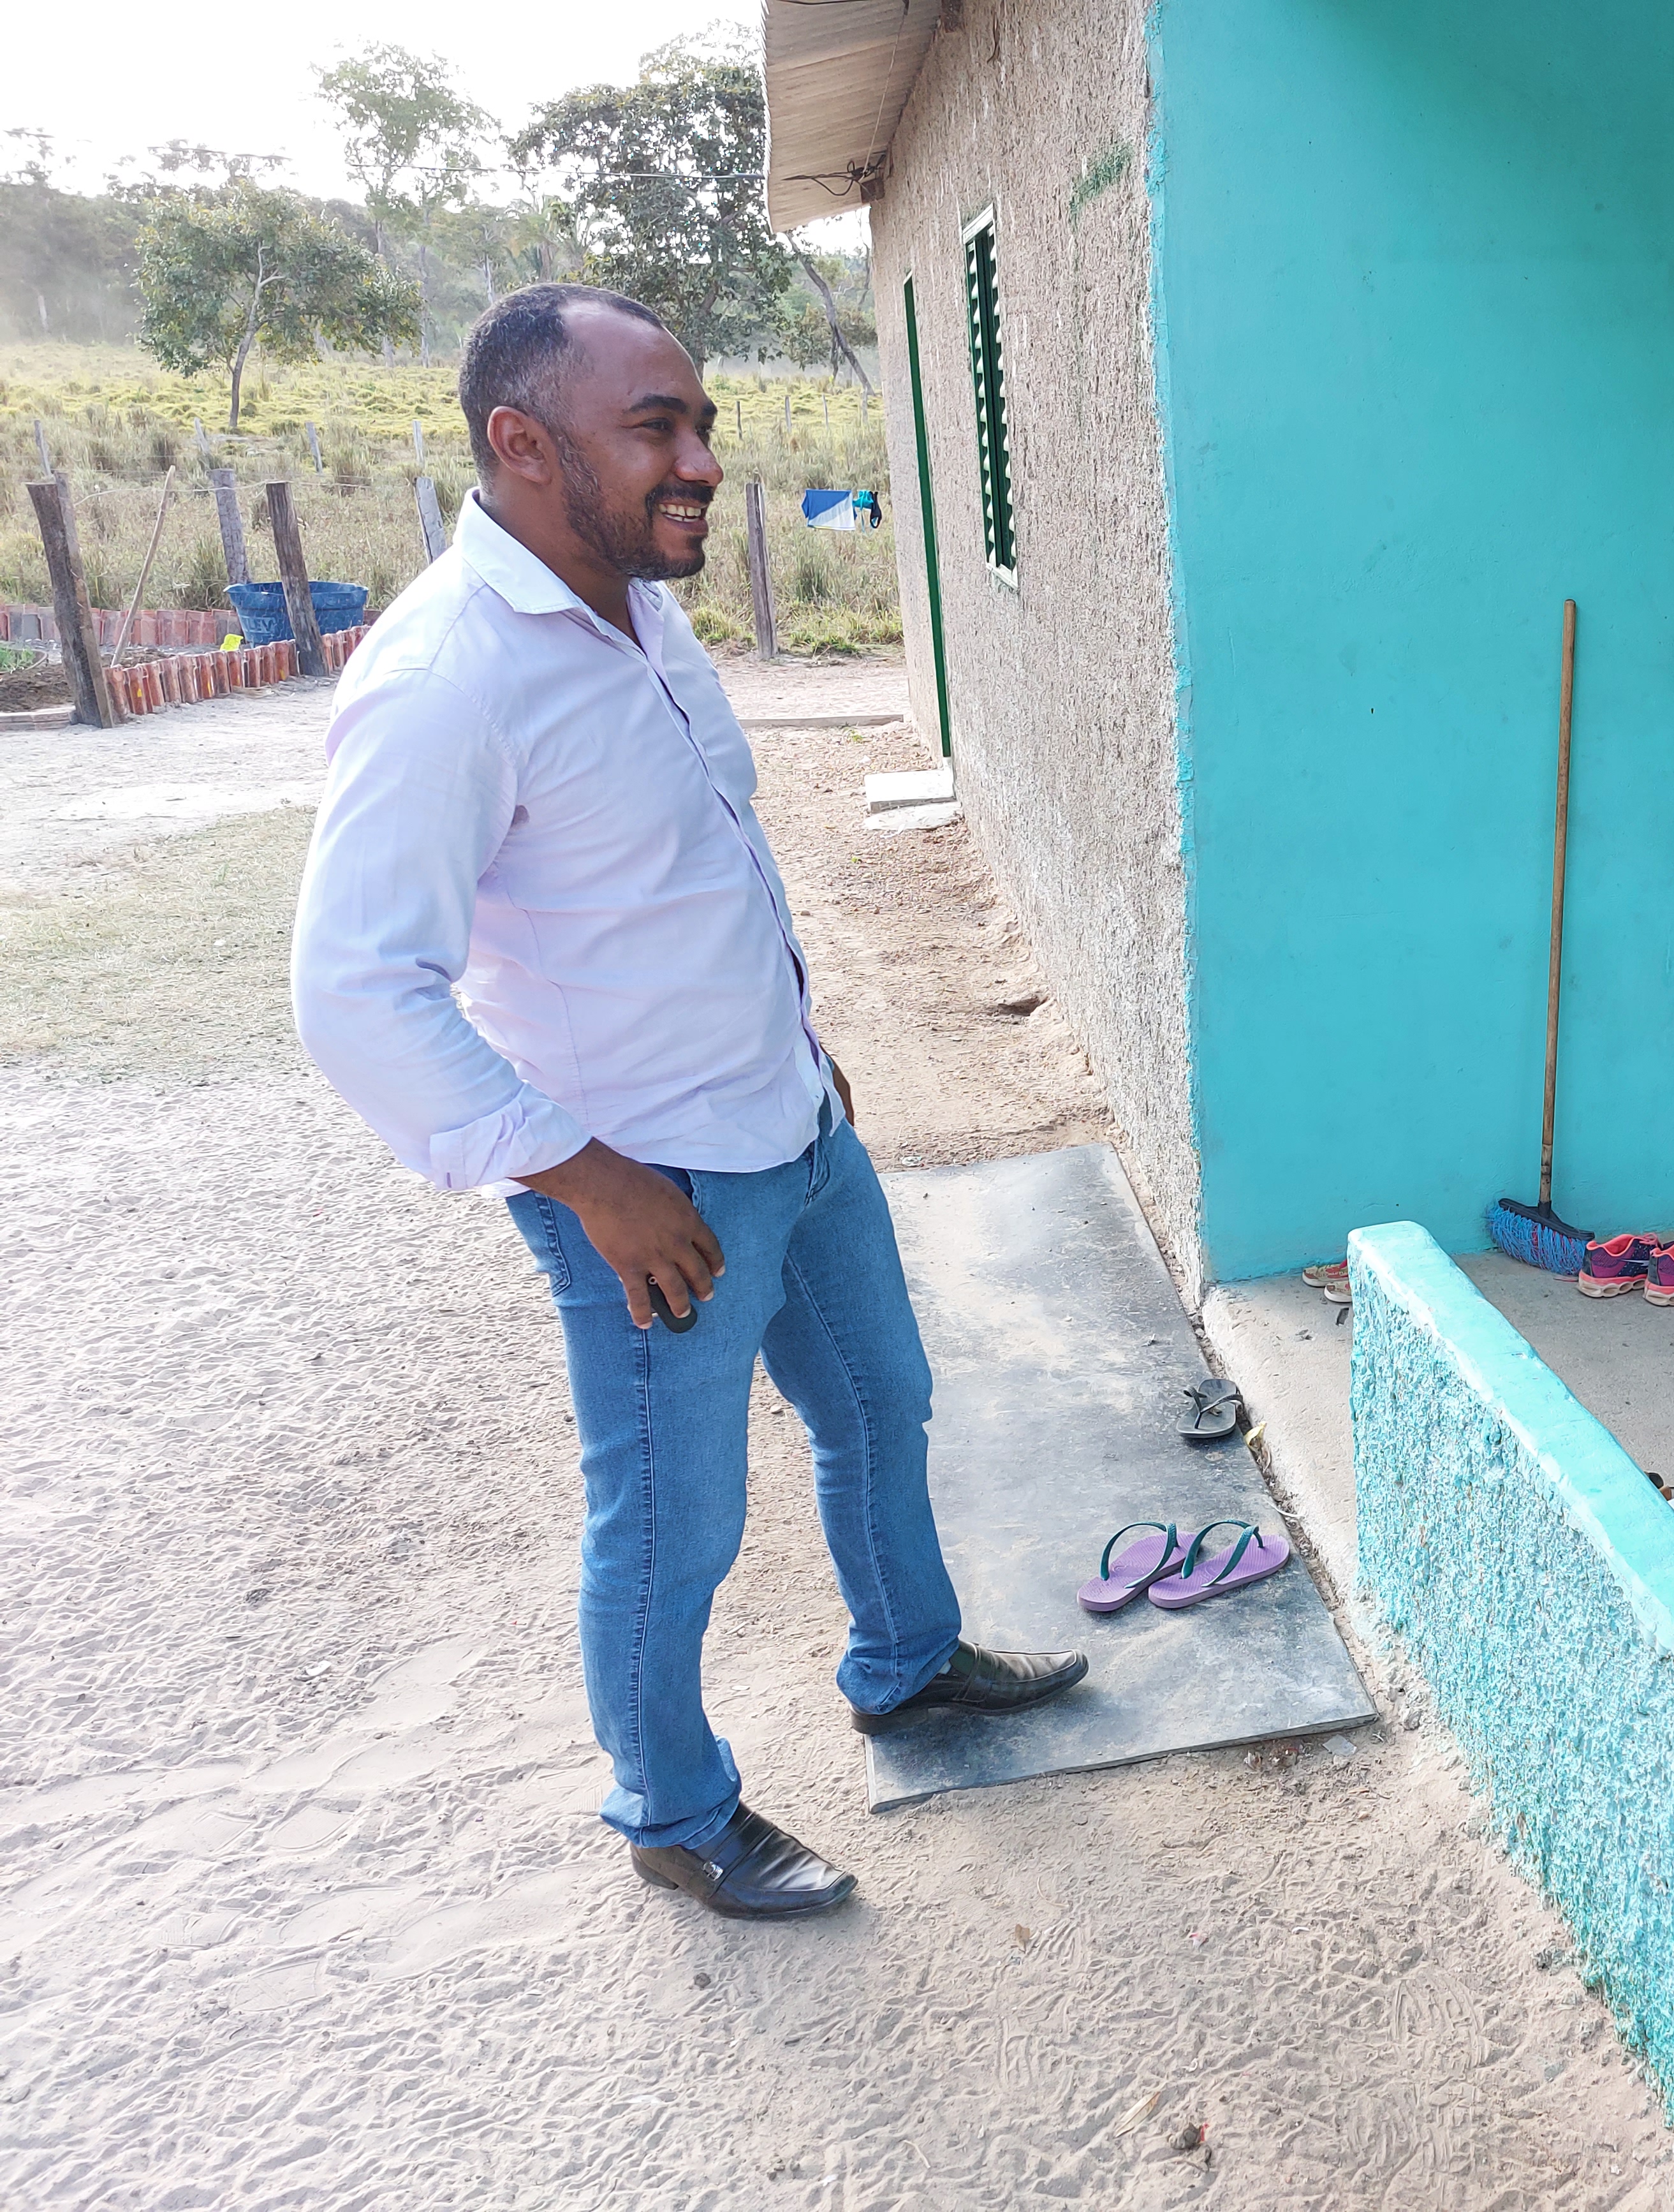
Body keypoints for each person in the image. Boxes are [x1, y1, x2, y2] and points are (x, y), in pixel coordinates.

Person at [291, 284, 1089, 1922]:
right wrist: (589, 1180)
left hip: (791, 1130)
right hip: (656, 1194)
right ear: (522, 445)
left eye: (702, 424)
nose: (703, 461)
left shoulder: (638, 611)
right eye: (655, 427)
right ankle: (673, 1809)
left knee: (879, 1404)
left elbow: (683, 870)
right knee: (672, 1522)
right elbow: (356, 991)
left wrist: (797, 1045)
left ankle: (907, 1662)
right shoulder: (449, 676)